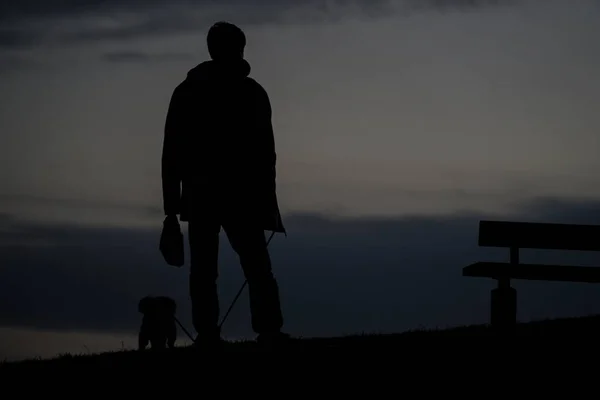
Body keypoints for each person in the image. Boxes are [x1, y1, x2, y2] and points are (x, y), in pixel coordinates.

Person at [161, 21, 289, 348]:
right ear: (237, 49)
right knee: (255, 268)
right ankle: (267, 331)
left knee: (206, 271)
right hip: (238, 196)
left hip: (204, 194)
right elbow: (266, 154)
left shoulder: (188, 92)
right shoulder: (250, 93)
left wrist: (171, 210)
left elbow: (171, 154)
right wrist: (267, 202)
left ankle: (208, 334)